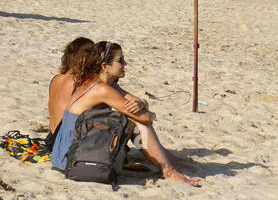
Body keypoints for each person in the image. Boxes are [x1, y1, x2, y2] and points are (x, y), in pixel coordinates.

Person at [49, 40, 200, 186]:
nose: (125, 64)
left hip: (68, 150)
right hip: (72, 156)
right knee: (136, 125)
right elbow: (145, 118)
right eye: (120, 60)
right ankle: (169, 171)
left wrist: (141, 103)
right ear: (105, 66)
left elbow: (135, 102)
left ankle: (168, 163)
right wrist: (149, 114)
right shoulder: (102, 90)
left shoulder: (98, 82)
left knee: (133, 119)